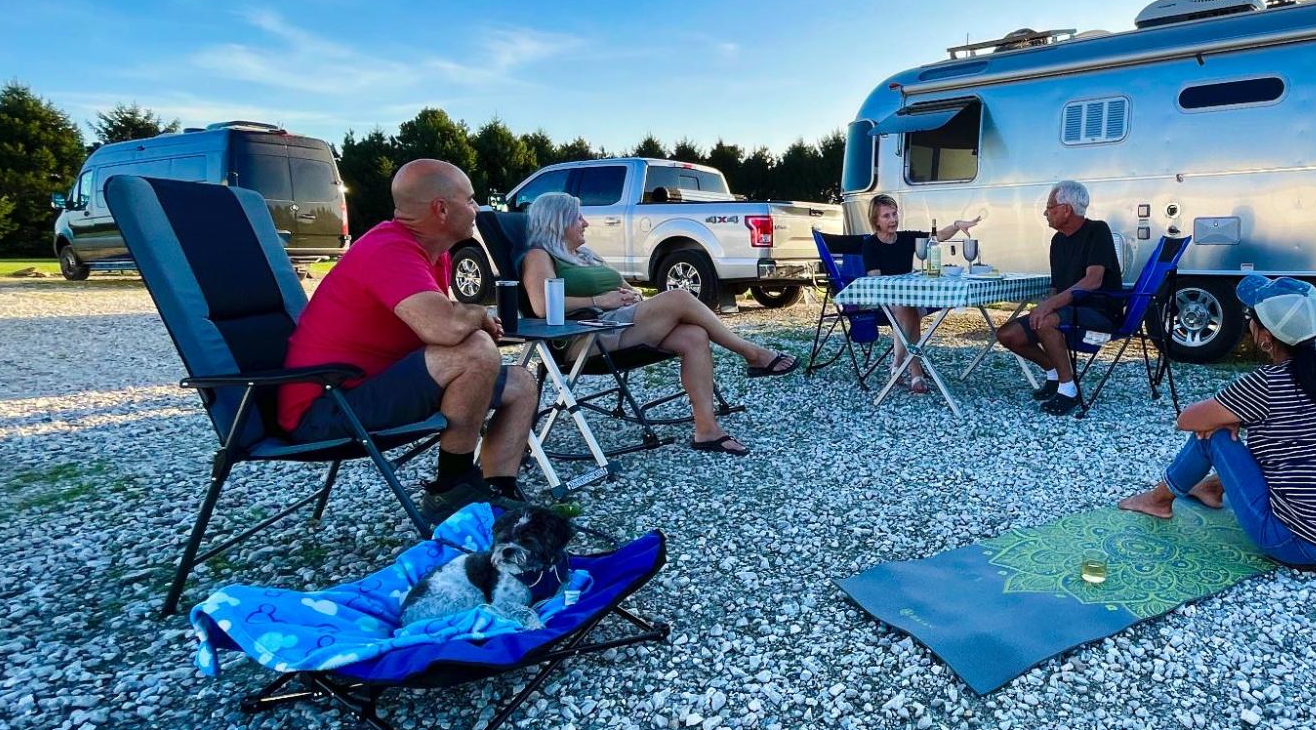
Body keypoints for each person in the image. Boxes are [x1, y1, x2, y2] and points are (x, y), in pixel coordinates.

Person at [277, 159, 542, 518]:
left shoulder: (434, 253)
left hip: (370, 387)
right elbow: (444, 328)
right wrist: (478, 314)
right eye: (471, 199)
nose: (477, 209)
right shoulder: (388, 249)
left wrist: (465, 320)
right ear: (442, 209)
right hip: (327, 406)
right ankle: (453, 488)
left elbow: (436, 324)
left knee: (522, 384)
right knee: (475, 351)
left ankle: (495, 496)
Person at [1119, 276, 1316, 577]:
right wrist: (1236, 416)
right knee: (1279, 445)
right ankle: (1211, 488)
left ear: (1265, 335)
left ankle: (1158, 501)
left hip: (1303, 543)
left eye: (1251, 319)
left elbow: (1187, 420)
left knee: (1213, 436)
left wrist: (1229, 418)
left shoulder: (1265, 384)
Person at [518, 191, 795, 456]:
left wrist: (630, 295)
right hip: (585, 335)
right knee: (678, 297)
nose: (586, 223)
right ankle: (752, 353)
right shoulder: (539, 256)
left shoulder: (586, 255)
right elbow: (542, 306)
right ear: (558, 222)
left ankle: (706, 430)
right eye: (578, 218)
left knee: (694, 335)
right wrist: (600, 300)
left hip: (619, 324)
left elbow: (625, 287)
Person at [995, 179, 1124, 415]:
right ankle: (1054, 373)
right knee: (1007, 334)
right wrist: (1046, 305)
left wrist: (1048, 308)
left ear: (1066, 210)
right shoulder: (1057, 241)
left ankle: (1068, 390)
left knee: (1046, 320)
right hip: (1068, 310)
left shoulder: (1098, 230)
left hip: (1099, 311)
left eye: (1050, 207)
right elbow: (1056, 287)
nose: (1045, 213)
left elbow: (1093, 280)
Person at [860, 193, 981, 395]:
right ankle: (915, 370)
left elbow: (938, 236)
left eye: (894, 214)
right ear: (876, 221)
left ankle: (898, 363)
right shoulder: (870, 245)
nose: (893, 220)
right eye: (886, 216)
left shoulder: (907, 238)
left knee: (909, 309)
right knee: (907, 309)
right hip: (885, 301)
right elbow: (876, 282)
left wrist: (957, 224)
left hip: (911, 298)